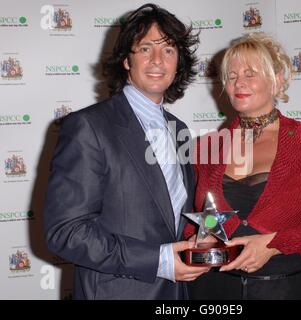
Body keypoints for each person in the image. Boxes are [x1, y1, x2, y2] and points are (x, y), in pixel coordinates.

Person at [44, 3, 209, 300]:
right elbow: (66, 231)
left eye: (169, 50)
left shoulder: (179, 130)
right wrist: (160, 261)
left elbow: (175, 218)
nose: (158, 60)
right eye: (145, 49)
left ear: (178, 63)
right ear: (126, 61)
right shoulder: (88, 126)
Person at [184, 32, 301, 299]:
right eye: (231, 75)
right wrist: (197, 238)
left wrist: (274, 245)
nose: (239, 82)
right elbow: (199, 216)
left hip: (293, 287)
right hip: (217, 290)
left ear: (276, 80)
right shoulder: (206, 147)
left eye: (250, 73)